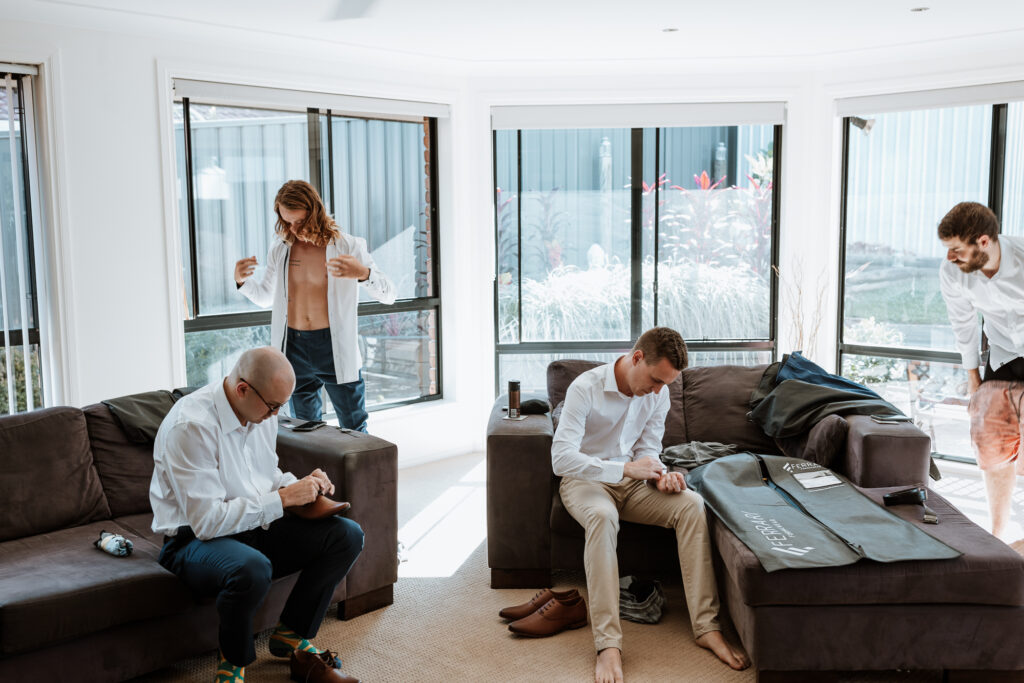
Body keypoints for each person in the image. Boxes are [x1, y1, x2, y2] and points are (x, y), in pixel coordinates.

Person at [150, 347, 363, 683]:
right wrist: (282, 499)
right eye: (273, 406)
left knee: (347, 535)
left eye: (281, 406)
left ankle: (291, 635)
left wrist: (302, 486)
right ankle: (232, 665)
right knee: (251, 567)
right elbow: (207, 523)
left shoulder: (261, 413)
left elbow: (265, 476)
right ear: (242, 389)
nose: (276, 414)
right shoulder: (191, 426)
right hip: (193, 542)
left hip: (252, 526)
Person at [551, 327, 749, 683]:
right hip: (586, 483)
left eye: (666, 384)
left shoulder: (659, 394)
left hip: (634, 482)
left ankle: (706, 627)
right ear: (637, 357)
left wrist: (661, 475)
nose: (658, 391)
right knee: (601, 516)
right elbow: (561, 459)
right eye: (656, 380)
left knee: (691, 505)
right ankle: (608, 645)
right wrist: (624, 468)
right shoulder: (585, 388)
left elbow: (648, 448)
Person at [235, 180, 395, 432]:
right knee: (305, 432)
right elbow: (266, 296)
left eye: (299, 221)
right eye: (287, 221)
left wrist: (362, 272)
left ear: (315, 212)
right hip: (293, 348)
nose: (293, 228)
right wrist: (241, 281)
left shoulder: (348, 245)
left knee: (354, 429)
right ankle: (314, 474)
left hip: (333, 347)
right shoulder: (281, 248)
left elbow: (389, 294)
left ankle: (354, 472)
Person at [938, 201, 1024, 540]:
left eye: (957, 250)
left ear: (984, 242)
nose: (950, 258)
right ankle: (997, 535)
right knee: (991, 439)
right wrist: (973, 377)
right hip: (1002, 355)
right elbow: (963, 323)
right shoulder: (952, 273)